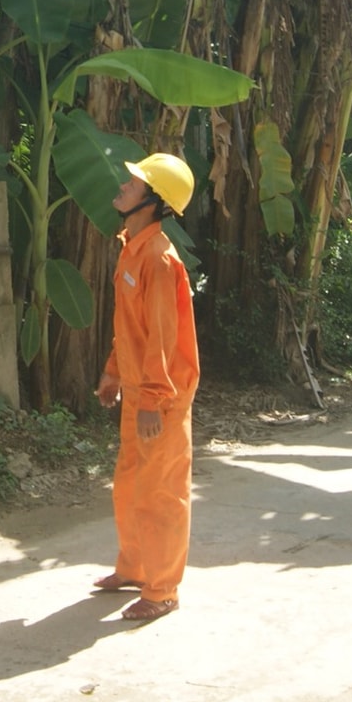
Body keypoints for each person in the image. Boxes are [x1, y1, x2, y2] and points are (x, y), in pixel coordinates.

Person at [93, 151, 199, 623]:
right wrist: (115, 372)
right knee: (130, 485)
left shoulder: (158, 259)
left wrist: (154, 398)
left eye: (134, 182)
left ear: (153, 203)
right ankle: (134, 567)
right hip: (139, 389)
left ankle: (163, 590)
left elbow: (163, 336)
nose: (123, 184)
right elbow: (130, 327)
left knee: (160, 493)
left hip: (162, 397)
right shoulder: (132, 247)